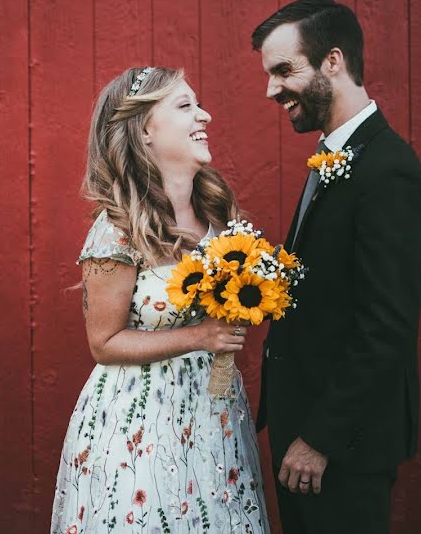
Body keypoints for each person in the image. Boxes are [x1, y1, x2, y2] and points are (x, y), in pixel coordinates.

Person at [50, 67, 270, 533]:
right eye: (185, 106)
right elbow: (104, 342)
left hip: (214, 418)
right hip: (140, 426)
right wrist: (200, 335)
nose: (204, 115)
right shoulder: (119, 227)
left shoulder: (217, 214)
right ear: (144, 130)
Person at [251, 0, 421, 533]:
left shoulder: (387, 170)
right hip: (303, 437)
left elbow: (387, 329)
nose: (271, 89)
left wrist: (320, 438)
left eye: (284, 70)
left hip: (340, 447)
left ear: (333, 61)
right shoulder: (335, 156)